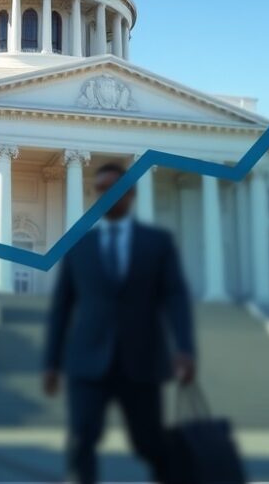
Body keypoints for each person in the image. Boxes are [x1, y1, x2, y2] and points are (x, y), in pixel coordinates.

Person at [43, 161, 196, 484]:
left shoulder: (157, 242)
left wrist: (184, 348)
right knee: (81, 440)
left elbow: (175, 297)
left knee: (149, 444)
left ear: (130, 194)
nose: (105, 196)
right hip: (87, 362)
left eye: (113, 189)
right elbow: (62, 307)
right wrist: (51, 363)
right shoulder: (78, 245)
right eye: (100, 189)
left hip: (141, 361)